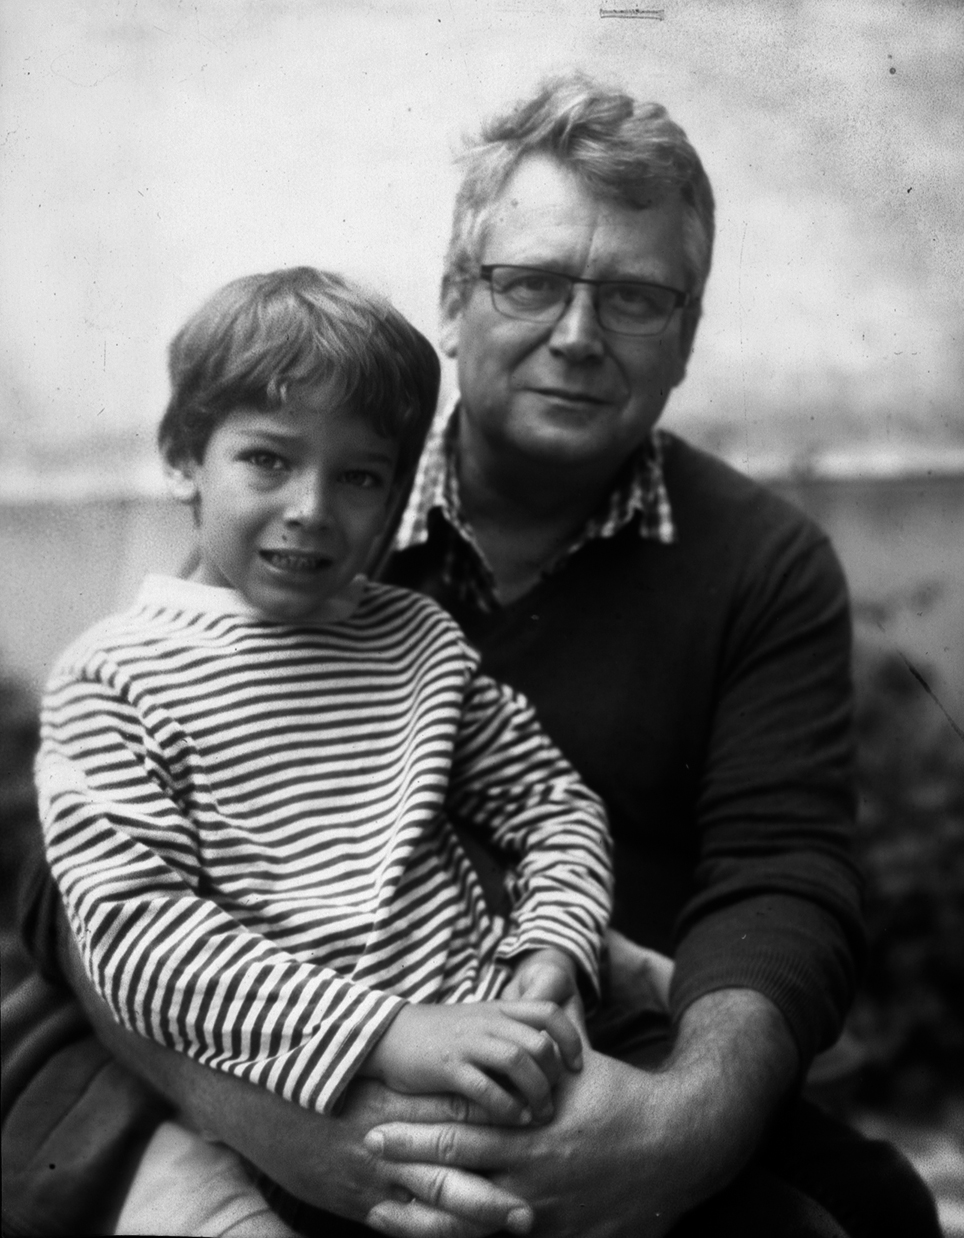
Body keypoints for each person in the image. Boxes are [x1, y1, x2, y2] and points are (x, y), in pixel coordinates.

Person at [3, 74, 941, 1238]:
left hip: (576, 1039)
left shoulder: (757, 561)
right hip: (277, 1038)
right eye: (530, 282)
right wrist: (279, 1116)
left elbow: (778, 874)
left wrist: (673, 1121)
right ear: (454, 300)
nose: (578, 337)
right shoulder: (291, 539)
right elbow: (91, 889)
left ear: (688, 335)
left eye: (635, 297)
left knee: (863, 1210)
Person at [33, 266, 612, 1236]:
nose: (311, 506)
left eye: (358, 476)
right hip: (294, 1121)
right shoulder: (114, 678)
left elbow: (553, 804)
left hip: (506, 1069)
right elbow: (136, 940)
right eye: (268, 459)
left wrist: (553, 945)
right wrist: (389, 1032)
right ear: (183, 457)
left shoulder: (418, 643)